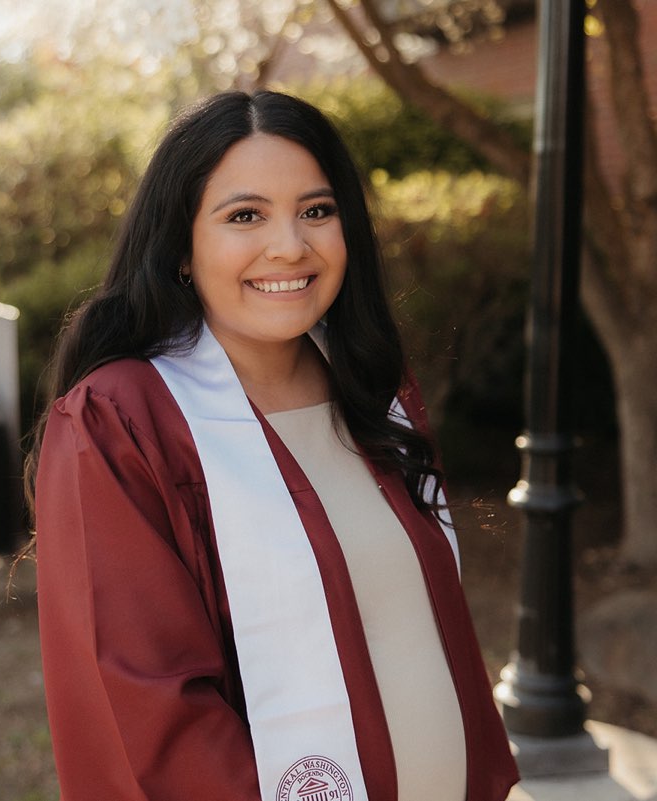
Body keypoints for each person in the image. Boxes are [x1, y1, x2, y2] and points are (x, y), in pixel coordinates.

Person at [27, 89, 519, 801]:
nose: (290, 245)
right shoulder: (123, 420)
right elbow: (149, 708)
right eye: (245, 216)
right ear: (181, 247)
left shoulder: (375, 391)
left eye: (316, 211)